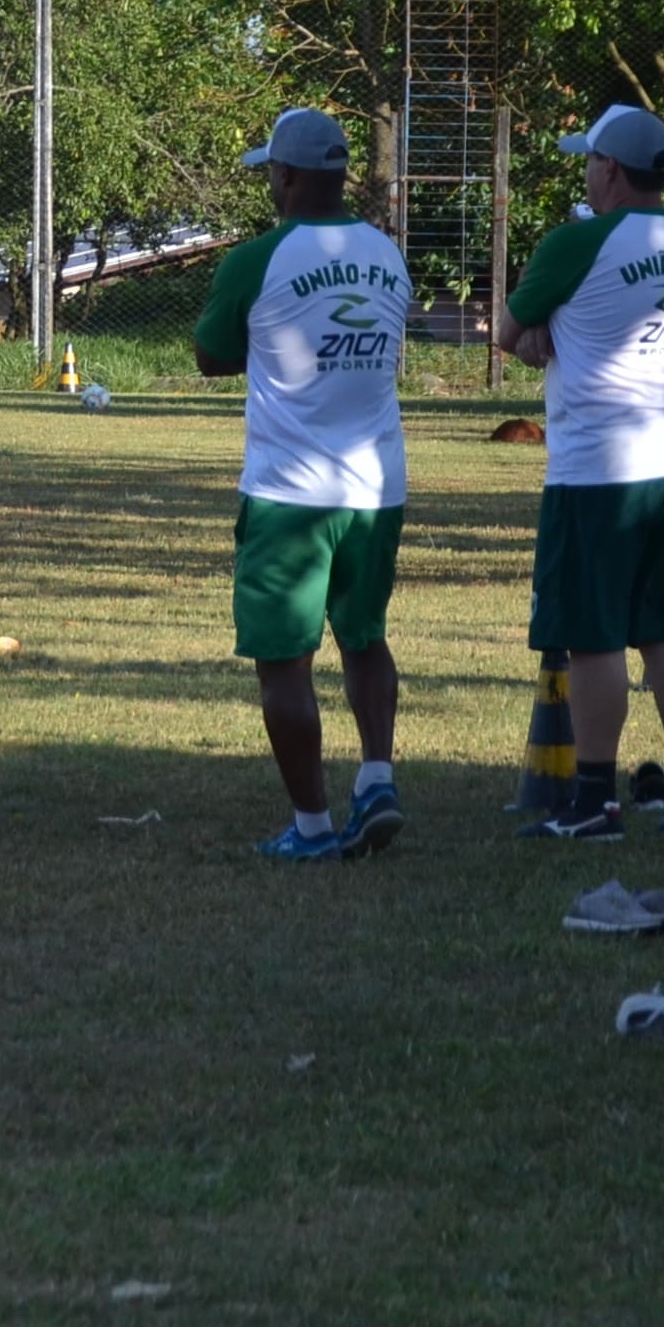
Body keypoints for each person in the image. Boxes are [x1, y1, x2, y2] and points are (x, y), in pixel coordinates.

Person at [190, 109, 409, 863]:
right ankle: (376, 779)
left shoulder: (256, 259)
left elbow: (212, 356)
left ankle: (312, 827)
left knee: (284, 661)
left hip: (290, 492)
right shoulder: (387, 253)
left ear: (283, 176)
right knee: (366, 637)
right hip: (378, 486)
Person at [494, 104, 664, 843]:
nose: (585, 174)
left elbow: (509, 333)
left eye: (588, 161)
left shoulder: (576, 241)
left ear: (610, 168)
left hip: (598, 468)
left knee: (592, 637)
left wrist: (544, 332)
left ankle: (593, 800)